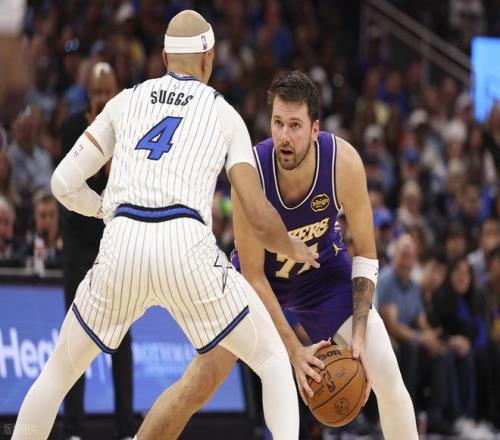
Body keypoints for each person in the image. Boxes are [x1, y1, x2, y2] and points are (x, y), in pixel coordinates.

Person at [13, 10, 318, 440]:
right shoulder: (223, 113)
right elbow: (256, 212)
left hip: (122, 243)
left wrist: (105, 211)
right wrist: (293, 246)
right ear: (209, 58)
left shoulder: (125, 100)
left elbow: (62, 183)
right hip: (186, 245)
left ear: (163, 57)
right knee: (272, 362)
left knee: (58, 372)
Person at [136, 71, 417, 440]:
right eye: (278, 123)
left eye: (295, 125)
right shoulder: (249, 171)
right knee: (199, 384)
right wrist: (295, 350)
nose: (284, 135)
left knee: (387, 375)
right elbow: (253, 274)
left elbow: (366, 253)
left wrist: (359, 336)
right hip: (259, 285)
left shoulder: (343, 163)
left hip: (323, 279)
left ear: (315, 129)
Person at [59, 62, 135, 440]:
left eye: (108, 92)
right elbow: (71, 188)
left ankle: (125, 429)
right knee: (75, 341)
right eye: (97, 92)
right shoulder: (71, 128)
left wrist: (110, 153)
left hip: (115, 247)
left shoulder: (129, 129)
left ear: (116, 93)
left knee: (122, 343)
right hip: (78, 246)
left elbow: (123, 185)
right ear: (88, 95)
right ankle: (74, 428)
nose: (102, 99)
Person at [377, 234, 451, 434]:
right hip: (385, 338)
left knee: (440, 353)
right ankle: (403, 415)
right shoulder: (386, 280)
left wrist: (432, 339)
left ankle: (435, 416)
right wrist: (421, 338)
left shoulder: (413, 285)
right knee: (411, 349)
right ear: (394, 255)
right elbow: (392, 326)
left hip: (406, 339)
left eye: (410, 257)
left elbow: (421, 321)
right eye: (403, 255)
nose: (406, 262)